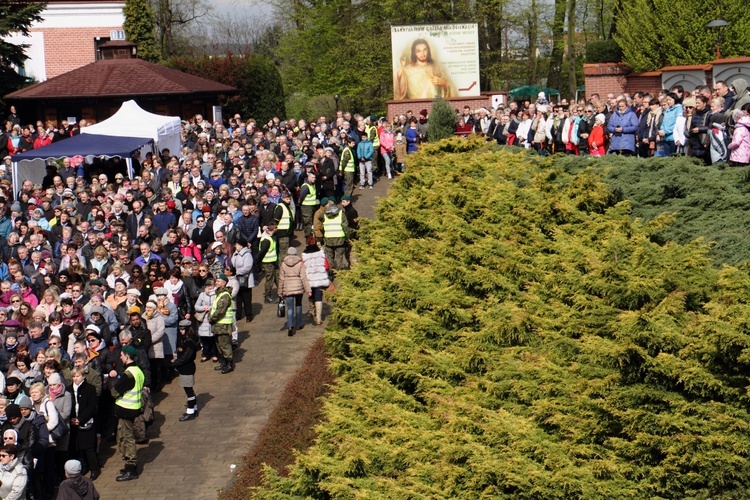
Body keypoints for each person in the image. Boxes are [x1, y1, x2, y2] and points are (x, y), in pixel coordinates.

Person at [108, 344, 144, 481]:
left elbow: (114, 392)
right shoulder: (138, 370)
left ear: (127, 356)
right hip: (133, 409)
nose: (121, 358)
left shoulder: (128, 374)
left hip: (126, 410)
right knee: (125, 437)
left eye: (122, 355)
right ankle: (129, 466)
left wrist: (112, 381)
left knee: (126, 439)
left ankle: (131, 469)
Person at [69, 366, 99, 480]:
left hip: (86, 422)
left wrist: (80, 419)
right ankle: (84, 466)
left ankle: (94, 469)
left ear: (83, 376)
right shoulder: (69, 389)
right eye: (73, 376)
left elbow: (92, 407)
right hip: (73, 423)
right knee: (79, 448)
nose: (75, 379)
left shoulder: (90, 388)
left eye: (78, 376)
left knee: (89, 447)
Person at [278, 247, 311, 336]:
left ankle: (290, 326)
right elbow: (304, 278)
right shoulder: (300, 263)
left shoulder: (283, 264)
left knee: (290, 308)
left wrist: (280, 291)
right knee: (298, 305)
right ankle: (299, 324)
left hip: (288, 287)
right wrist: (308, 290)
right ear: (296, 253)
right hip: (298, 287)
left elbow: (281, 279)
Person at [173, 320, 200, 421]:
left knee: (189, 391)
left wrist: (175, 362)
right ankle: (195, 408)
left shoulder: (189, 341)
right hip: (185, 368)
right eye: (179, 329)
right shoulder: (186, 339)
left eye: (183, 329)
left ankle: (190, 411)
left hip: (187, 368)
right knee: (189, 390)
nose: (181, 331)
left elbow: (186, 357)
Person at [208, 274, 235, 374]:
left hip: (223, 325)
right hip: (218, 325)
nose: (216, 283)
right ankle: (223, 362)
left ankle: (229, 364)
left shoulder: (224, 295)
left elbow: (220, 311)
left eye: (218, 281)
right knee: (219, 345)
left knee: (225, 345)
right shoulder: (219, 294)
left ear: (224, 283)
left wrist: (211, 318)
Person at [301, 236, 330, 326]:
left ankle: (312, 311)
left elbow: (302, 267)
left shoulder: (304, 255)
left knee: (311, 295)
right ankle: (318, 318)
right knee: (319, 297)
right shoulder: (321, 253)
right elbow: (327, 266)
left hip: (309, 279)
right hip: (320, 278)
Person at [231, 238, 254, 323]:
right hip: (237, 279)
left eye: (236, 244)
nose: (235, 246)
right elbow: (232, 263)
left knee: (247, 298)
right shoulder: (235, 254)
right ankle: (238, 314)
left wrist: (237, 271)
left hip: (246, 279)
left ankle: (249, 314)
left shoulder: (247, 254)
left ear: (241, 245)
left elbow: (247, 267)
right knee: (238, 298)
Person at [257, 225, 279, 303]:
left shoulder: (270, 237)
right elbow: (261, 253)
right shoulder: (266, 240)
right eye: (274, 230)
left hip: (273, 261)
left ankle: (281, 293)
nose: (275, 231)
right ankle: (267, 297)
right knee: (270, 280)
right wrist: (258, 263)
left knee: (277, 277)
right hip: (268, 263)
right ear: (269, 231)